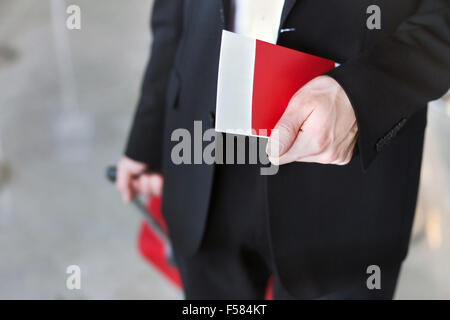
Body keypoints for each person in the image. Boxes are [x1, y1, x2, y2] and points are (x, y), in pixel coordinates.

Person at [116, 0, 450, 299]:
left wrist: (364, 94)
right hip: (205, 160)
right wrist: (146, 137)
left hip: (348, 182)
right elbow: (174, 13)